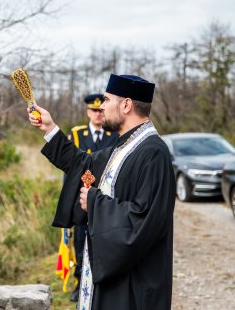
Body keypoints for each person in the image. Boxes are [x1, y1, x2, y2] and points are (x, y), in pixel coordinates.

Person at [28, 74, 176, 309]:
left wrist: (95, 202)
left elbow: (146, 218)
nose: (102, 106)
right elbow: (82, 164)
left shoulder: (153, 153)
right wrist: (50, 128)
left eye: (107, 100)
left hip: (135, 280)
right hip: (117, 272)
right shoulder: (123, 146)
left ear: (126, 105)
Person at [67, 93, 118, 302]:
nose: (98, 114)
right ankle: (80, 283)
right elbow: (70, 171)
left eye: (100, 110)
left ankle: (100, 281)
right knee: (80, 243)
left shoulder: (113, 135)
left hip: (103, 199)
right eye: (93, 111)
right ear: (88, 112)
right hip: (82, 199)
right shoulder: (77, 135)